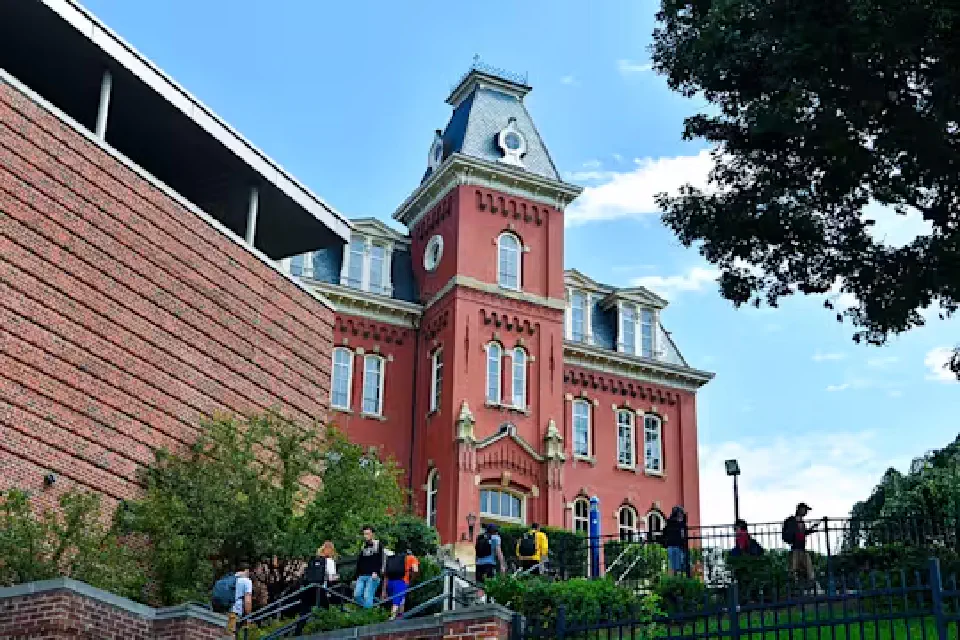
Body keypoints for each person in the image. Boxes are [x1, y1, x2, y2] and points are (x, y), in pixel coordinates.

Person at [783, 503, 818, 584]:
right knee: (793, 570)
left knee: (809, 568)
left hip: (802, 548)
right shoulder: (791, 520)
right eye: (805, 510)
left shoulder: (802, 522)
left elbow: (802, 533)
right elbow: (788, 534)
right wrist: (792, 538)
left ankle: (811, 585)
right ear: (799, 509)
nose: (806, 512)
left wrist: (811, 529)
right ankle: (793, 586)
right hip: (795, 548)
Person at [383, 547, 420, 619]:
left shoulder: (394, 559)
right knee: (397, 600)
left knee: (401, 599)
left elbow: (385, 574)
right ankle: (392, 619)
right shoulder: (412, 558)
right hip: (402, 581)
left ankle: (400, 617)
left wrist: (384, 590)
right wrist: (412, 579)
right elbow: (415, 570)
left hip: (390, 581)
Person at [354, 525, 384, 608]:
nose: (366, 536)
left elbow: (380, 559)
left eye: (368, 534)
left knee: (368, 596)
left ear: (372, 534)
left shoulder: (377, 544)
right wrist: (357, 575)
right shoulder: (363, 546)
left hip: (372, 575)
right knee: (357, 595)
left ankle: (367, 615)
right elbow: (360, 561)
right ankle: (371, 607)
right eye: (365, 534)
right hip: (362, 575)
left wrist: (376, 572)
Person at [225, 562, 253, 635]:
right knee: (230, 636)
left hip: (224, 608)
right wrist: (248, 616)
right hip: (235, 611)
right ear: (246, 570)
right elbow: (248, 601)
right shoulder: (247, 581)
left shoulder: (230, 578)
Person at [663, 506, 689, 576]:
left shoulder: (669, 523)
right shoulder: (680, 524)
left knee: (673, 567)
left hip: (672, 546)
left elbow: (665, 533)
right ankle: (677, 581)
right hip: (677, 546)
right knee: (678, 567)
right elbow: (683, 536)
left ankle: (674, 580)